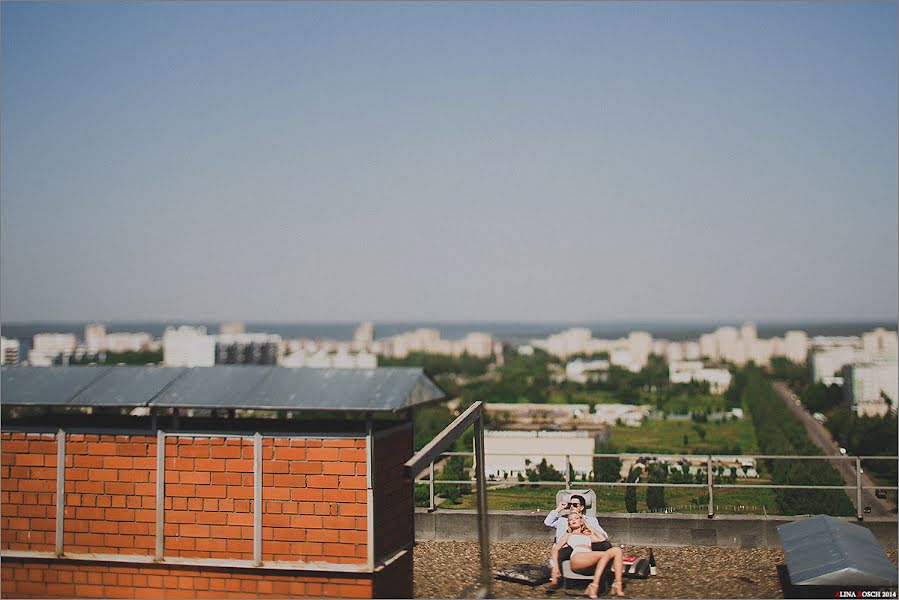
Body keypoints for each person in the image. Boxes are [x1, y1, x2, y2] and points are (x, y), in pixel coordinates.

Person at [544, 494, 611, 590]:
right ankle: (555, 580)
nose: (571, 506)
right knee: (560, 552)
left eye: (575, 505)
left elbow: (604, 536)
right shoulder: (562, 519)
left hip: (585, 545)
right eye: (570, 504)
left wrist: (585, 525)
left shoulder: (590, 520)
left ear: (582, 507)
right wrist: (559, 509)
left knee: (606, 545)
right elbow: (547, 522)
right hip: (566, 546)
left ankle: (605, 576)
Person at [551, 512, 625, 598]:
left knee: (617, 550)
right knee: (604, 555)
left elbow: (602, 538)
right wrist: (555, 567)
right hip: (577, 559)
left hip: (589, 560)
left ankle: (617, 584)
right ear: (569, 524)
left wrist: (588, 526)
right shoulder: (568, 535)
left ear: (581, 521)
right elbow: (556, 549)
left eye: (576, 518)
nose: (573, 520)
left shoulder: (588, 536)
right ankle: (594, 586)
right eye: (570, 520)